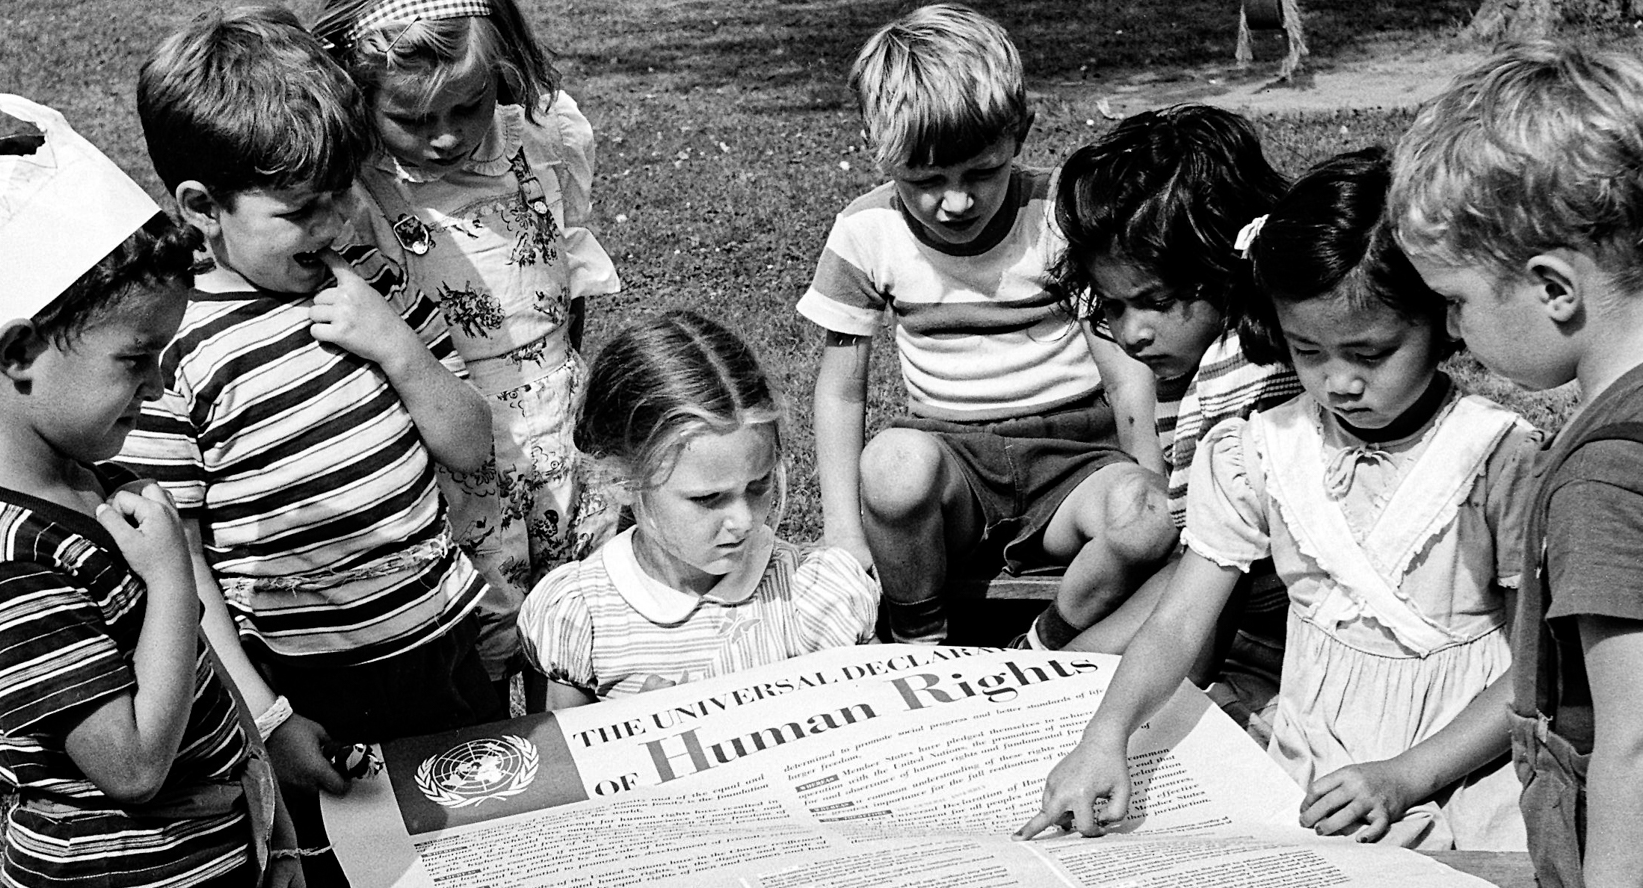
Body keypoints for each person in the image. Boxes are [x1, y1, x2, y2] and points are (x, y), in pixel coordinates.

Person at [1019, 148, 1536, 851]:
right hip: (1311, 757)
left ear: (1441, 320)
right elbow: (1176, 624)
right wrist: (1104, 735)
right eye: (1308, 351)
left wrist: (1405, 776)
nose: (1339, 382)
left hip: (1467, 764)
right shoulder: (1259, 452)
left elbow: (1533, 664)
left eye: (1369, 353)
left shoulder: (1491, 459)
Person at [119, 8, 501, 885]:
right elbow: (177, 560)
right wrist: (268, 716)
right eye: (300, 209)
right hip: (313, 685)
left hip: (440, 645)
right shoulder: (172, 350)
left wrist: (399, 346)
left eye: (343, 191)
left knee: (490, 853)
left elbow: (471, 445)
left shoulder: (366, 283)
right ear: (201, 209)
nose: (336, 222)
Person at [802, 3, 1174, 648]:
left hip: (1074, 461)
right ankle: (919, 640)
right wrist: (843, 529)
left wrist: (1152, 477)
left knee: (1142, 516)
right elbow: (842, 392)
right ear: (876, 145)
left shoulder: (1058, 213)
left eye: (982, 171)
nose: (956, 201)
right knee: (892, 465)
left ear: (1020, 134)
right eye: (924, 179)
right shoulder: (867, 232)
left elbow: (1122, 370)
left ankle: (1046, 643)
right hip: (955, 470)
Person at [0, 93, 299, 888]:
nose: (159, 384)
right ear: (22, 351)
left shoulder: (92, 479)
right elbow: (130, 765)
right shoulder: (16, 558)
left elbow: (187, 678)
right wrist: (172, 581)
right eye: (136, 360)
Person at [312, 0, 622, 710]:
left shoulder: (545, 141)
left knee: (575, 644)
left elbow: (564, 288)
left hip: (563, 443)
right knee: (474, 661)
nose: (447, 137)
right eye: (413, 120)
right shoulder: (361, 189)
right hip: (453, 463)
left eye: (467, 106)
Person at [1390, 42, 1643, 888]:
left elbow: (1634, 743)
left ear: (1552, 287)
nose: (1452, 332)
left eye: (1456, 300)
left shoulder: (1601, 477)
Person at [1046, 104, 1302, 739]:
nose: (1132, 332)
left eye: (1155, 302)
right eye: (1111, 307)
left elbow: (1208, 600)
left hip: (1279, 634)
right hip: (1238, 607)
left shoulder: (1241, 381)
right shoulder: (1199, 358)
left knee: (1071, 695)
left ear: (1225, 264)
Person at [517, 310, 878, 707]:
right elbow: (564, 761)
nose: (744, 521)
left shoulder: (811, 597)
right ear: (618, 480)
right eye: (708, 499)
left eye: (758, 486)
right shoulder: (583, 615)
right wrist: (629, 730)